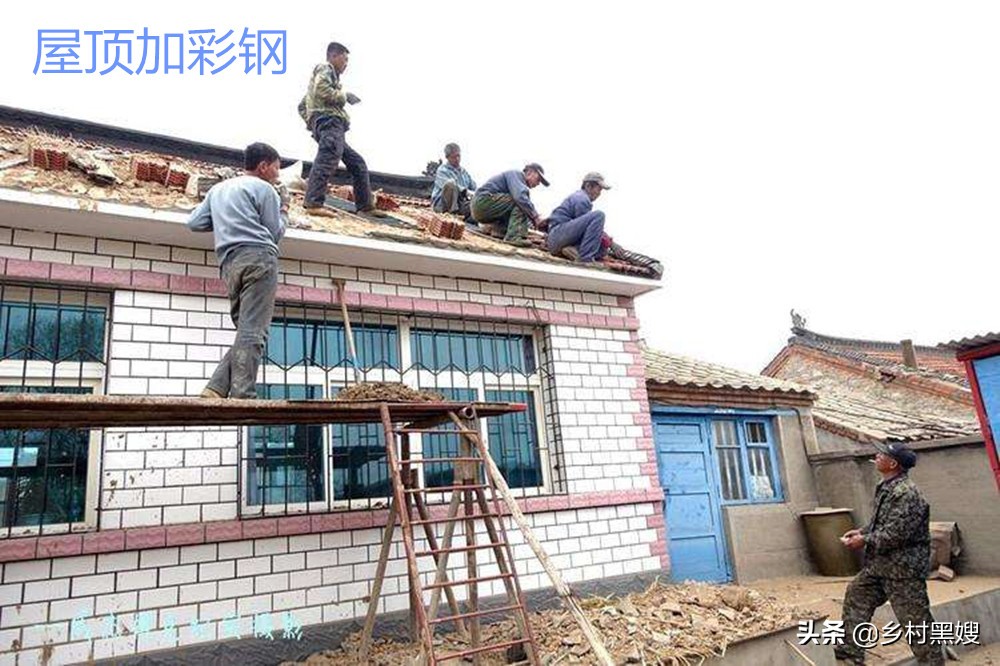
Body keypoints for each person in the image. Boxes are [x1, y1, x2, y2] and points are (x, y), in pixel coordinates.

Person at [187, 142, 288, 399]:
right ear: (263, 166)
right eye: (276, 168)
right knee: (254, 331)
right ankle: (243, 394)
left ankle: (216, 387)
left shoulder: (218, 189)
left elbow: (195, 222)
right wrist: (284, 209)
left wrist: (226, 220)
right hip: (259, 257)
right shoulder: (264, 189)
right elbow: (274, 232)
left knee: (247, 329)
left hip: (230, 264)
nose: (277, 174)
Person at [836, 442, 942, 665]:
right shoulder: (886, 487)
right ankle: (849, 653)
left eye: (882, 454)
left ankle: (932, 662)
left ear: (893, 463)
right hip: (879, 567)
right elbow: (882, 523)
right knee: (857, 594)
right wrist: (862, 531)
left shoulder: (906, 493)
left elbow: (896, 533)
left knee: (915, 623)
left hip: (903, 571)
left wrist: (863, 540)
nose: (877, 456)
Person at [299, 42, 379, 216]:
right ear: (333, 56)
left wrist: (313, 123)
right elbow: (322, 90)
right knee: (327, 160)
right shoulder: (325, 69)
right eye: (344, 59)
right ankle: (313, 203)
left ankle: (365, 206)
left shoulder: (320, 80)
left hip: (331, 127)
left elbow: (302, 106)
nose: (346, 64)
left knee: (357, 164)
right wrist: (344, 97)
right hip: (330, 123)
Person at [470, 163, 549, 247]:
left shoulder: (518, 183)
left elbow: (519, 215)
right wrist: (536, 217)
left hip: (486, 207)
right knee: (520, 202)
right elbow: (520, 198)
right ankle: (513, 237)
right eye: (538, 179)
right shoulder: (516, 174)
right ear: (530, 172)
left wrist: (534, 222)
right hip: (482, 202)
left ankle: (499, 231)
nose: (538, 183)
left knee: (522, 204)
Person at [546, 172, 612, 263]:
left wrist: (608, 243)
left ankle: (573, 250)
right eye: (599, 189)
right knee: (599, 215)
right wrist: (612, 243)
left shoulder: (581, 198)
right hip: (557, 236)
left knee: (602, 249)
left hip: (561, 239)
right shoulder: (581, 198)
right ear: (588, 186)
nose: (599, 194)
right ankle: (585, 258)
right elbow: (589, 228)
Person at [431, 142, 477, 219]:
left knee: (477, 208)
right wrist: (465, 191)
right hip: (442, 206)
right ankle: (451, 215)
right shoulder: (442, 171)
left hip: (459, 205)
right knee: (450, 184)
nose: (457, 159)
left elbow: (473, 187)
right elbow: (451, 187)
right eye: (454, 157)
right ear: (447, 157)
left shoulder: (463, 172)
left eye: (458, 156)